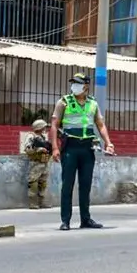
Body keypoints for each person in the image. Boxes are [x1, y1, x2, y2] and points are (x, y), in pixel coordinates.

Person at [51, 73, 115, 231]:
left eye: (78, 83)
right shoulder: (64, 102)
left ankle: (85, 219)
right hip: (70, 147)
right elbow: (53, 125)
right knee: (67, 184)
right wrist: (54, 148)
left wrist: (109, 143)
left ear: (86, 86)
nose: (74, 86)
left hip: (87, 148)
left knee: (85, 185)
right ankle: (65, 220)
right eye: (73, 83)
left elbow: (100, 124)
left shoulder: (93, 103)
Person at [23, 119, 53, 209]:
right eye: (43, 127)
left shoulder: (43, 137)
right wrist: (38, 150)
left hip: (44, 163)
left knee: (43, 183)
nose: (45, 128)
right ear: (39, 127)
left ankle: (42, 202)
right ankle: (33, 203)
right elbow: (27, 149)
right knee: (33, 183)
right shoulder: (31, 137)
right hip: (35, 163)